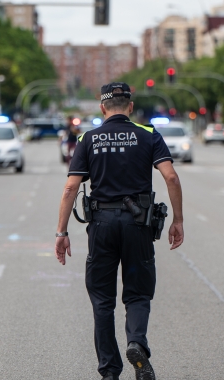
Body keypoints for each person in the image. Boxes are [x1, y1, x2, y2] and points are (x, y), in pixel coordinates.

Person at [55, 82, 184, 380]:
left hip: (101, 225)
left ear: (102, 108)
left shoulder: (89, 138)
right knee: (138, 294)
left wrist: (61, 232)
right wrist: (178, 220)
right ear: (130, 106)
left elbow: (71, 188)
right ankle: (136, 342)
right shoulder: (148, 135)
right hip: (138, 224)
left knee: (102, 299)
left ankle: (110, 371)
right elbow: (172, 178)